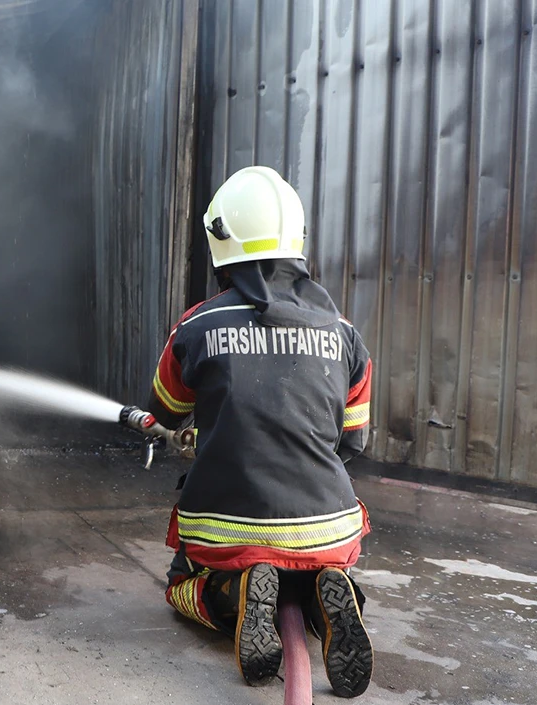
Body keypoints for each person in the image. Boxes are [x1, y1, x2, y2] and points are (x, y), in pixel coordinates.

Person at [148, 166, 374, 698]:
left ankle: (234, 594)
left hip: (226, 526)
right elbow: (354, 443)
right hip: (327, 526)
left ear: (219, 242)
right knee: (313, 563)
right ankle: (330, 593)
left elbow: (167, 409)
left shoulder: (196, 327)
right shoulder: (346, 336)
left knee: (182, 585)